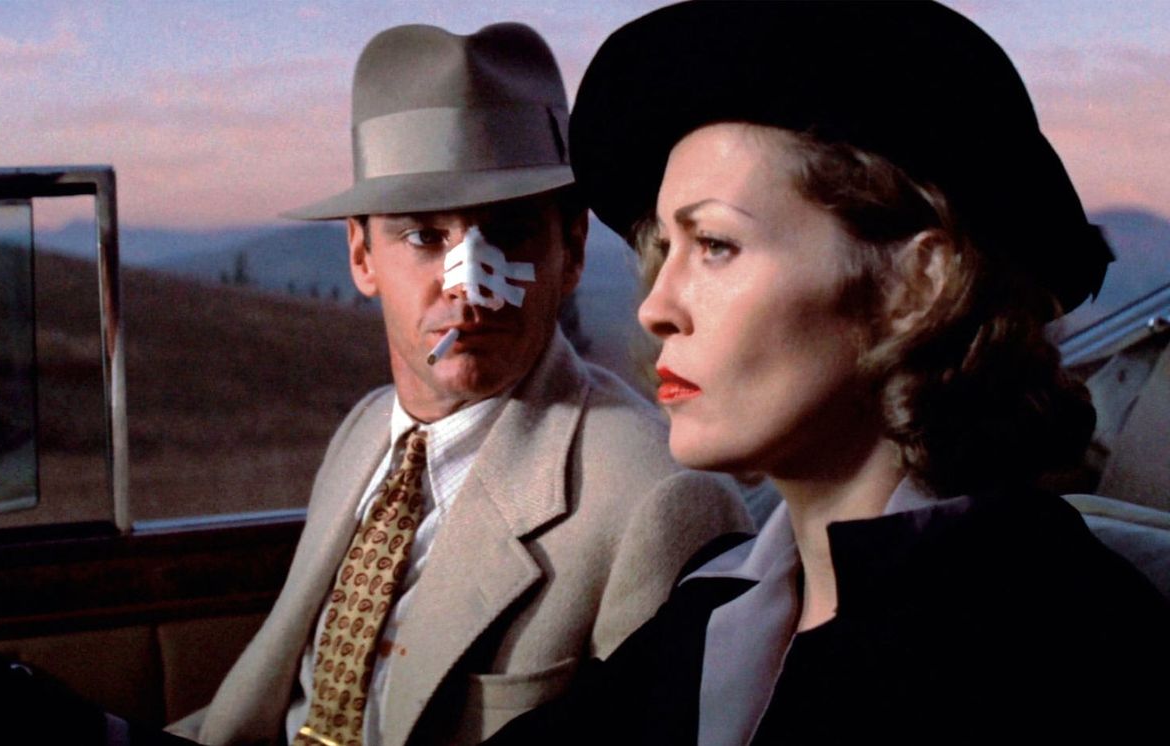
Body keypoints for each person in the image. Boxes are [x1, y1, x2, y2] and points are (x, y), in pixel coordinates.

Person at [486, 2, 1170, 744]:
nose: (657, 307)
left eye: (715, 244)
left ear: (917, 286)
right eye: (664, 253)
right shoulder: (711, 607)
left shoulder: (1070, 655)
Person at [168, 21, 751, 746]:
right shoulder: (364, 434)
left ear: (570, 251)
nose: (469, 291)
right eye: (424, 237)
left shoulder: (660, 502)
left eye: (508, 235)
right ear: (361, 253)